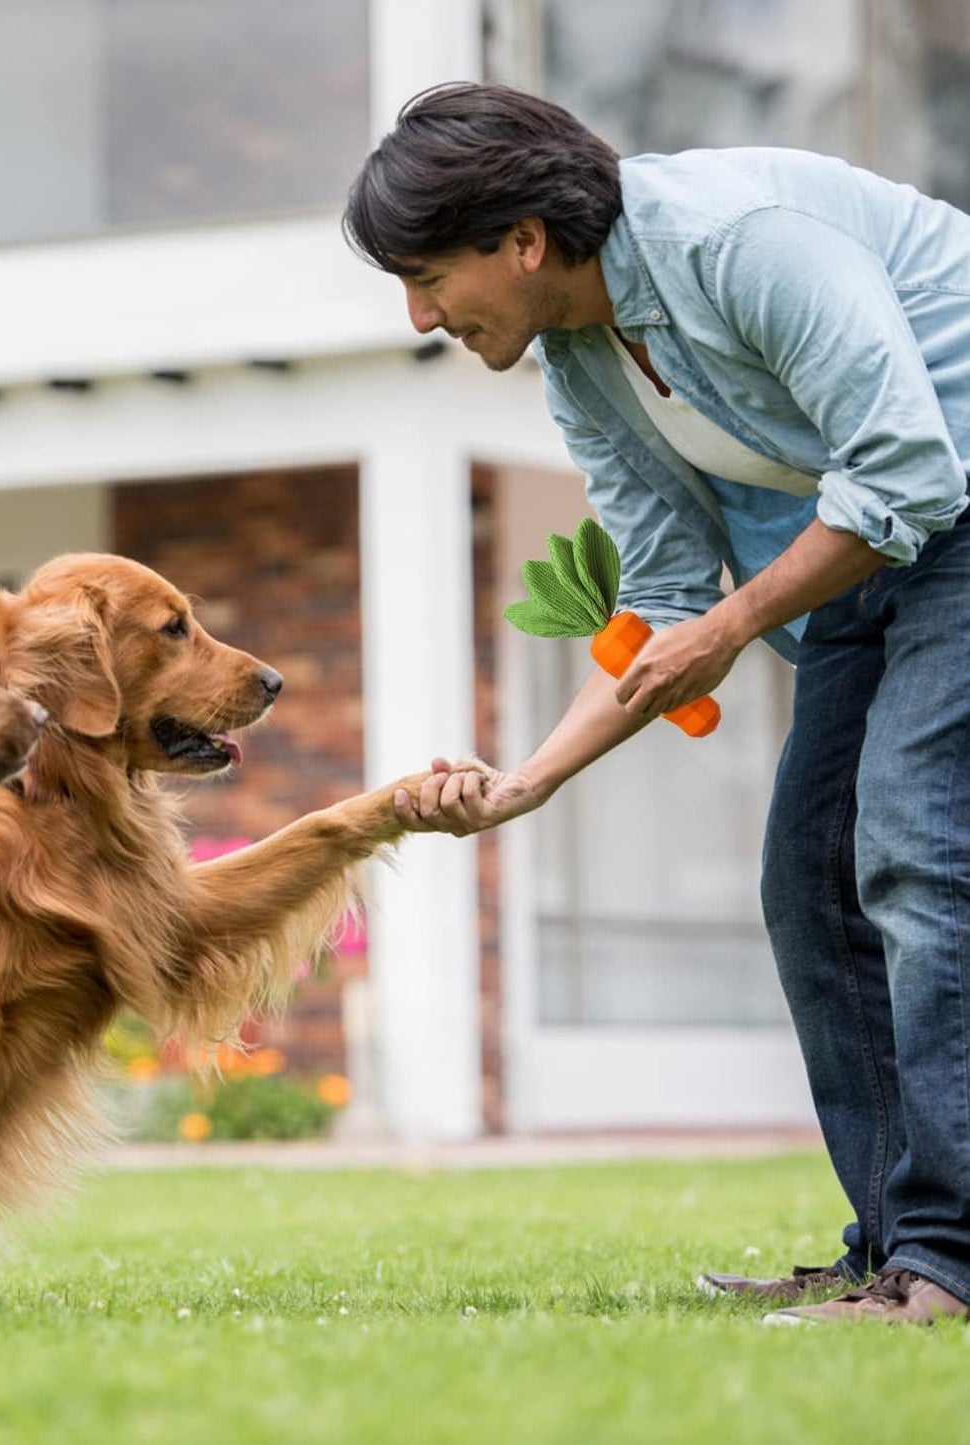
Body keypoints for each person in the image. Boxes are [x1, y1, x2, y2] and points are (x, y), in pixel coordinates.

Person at [344, 81, 970, 1326]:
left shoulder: (733, 240)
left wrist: (734, 623)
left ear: (521, 240)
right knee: (808, 881)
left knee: (910, 849)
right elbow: (672, 597)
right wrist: (521, 783)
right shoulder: (583, 360)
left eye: (427, 276)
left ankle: (949, 1263)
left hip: (944, 505)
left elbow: (905, 464)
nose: (420, 315)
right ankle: (896, 1246)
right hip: (863, 548)